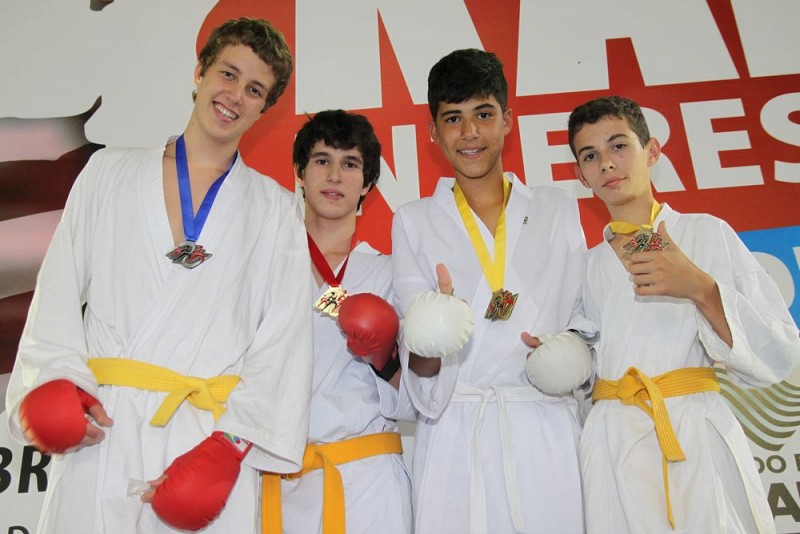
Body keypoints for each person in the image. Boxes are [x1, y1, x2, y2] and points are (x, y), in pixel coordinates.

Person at [5, 17, 314, 533]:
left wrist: (230, 446)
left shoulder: (276, 209)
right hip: (104, 427)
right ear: (199, 72)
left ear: (265, 108)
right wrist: (57, 379)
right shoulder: (107, 173)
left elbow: (285, 337)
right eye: (228, 74)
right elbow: (56, 291)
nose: (235, 96)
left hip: (203, 441)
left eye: (255, 89)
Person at [568, 95, 800, 533]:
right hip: (611, 440)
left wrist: (700, 288)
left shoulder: (703, 232)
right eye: (590, 156)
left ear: (652, 151)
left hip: (693, 432)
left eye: (619, 146)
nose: (607, 163)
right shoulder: (585, 265)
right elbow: (580, 368)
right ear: (581, 175)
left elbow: (779, 350)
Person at [391, 48, 596, 533]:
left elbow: (585, 317)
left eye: (483, 114)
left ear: (507, 120)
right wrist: (431, 334)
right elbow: (420, 368)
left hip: (543, 423)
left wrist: (570, 352)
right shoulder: (413, 220)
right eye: (453, 118)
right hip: (455, 432)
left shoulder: (556, 208)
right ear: (433, 131)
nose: (469, 133)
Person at [260, 109, 413, 534]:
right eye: (322, 160)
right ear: (299, 172)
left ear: (367, 184)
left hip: (366, 483)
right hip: (278, 479)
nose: (334, 176)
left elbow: (418, 401)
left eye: (350, 164)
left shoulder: (390, 275)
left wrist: (384, 359)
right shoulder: (264, 267)